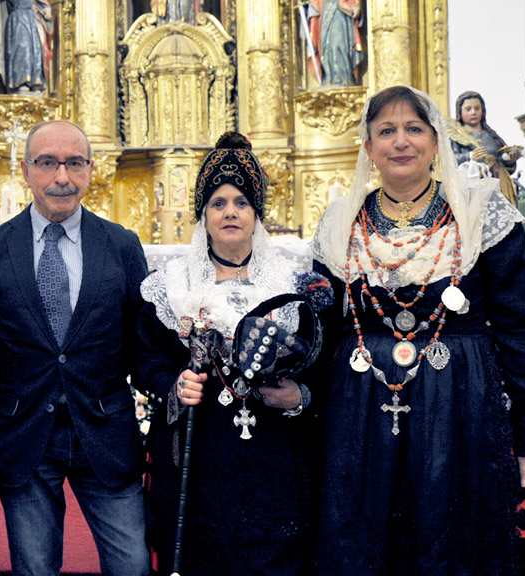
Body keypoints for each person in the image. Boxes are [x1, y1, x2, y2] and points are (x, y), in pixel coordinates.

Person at [311, 85, 525, 574]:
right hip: (360, 419)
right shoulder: (341, 222)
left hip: (463, 411)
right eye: (386, 131)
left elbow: (524, 328)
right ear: (369, 147)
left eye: (414, 129)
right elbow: (321, 331)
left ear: (435, 141)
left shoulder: (481, 213)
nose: (401, 141)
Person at [0, 120, 151, 576]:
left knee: (132, 564)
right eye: (48, 163)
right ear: (26, 170)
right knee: (35, 568)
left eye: (74, 163)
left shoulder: (122, 245)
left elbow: (140, 334)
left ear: (90, 170)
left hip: (103, 428)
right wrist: (22, 379)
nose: (61, 177)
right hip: (25, 429)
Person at [137, 132, 324, 575]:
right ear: (203, 214)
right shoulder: (172, 285)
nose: (230, 212)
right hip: (200, 451)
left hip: (277, 451)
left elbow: (323, 365)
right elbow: (145, 359)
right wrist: (174, 384)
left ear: (257, 213)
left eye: (241, 202)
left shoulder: (296, 285)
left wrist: (299, 397)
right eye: (218, 203)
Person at [307, 0, 365, 86]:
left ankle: (341, 76)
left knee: (337, 44)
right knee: (325, 47)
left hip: (341, 11)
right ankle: (329, 76)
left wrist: (354, 5)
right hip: (325, 10)